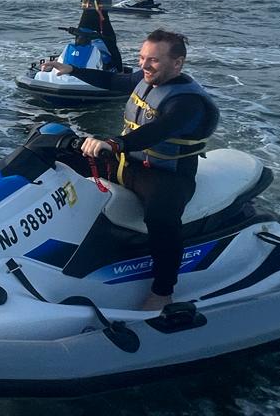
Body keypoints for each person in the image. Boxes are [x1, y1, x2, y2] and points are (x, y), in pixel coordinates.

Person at [40, 29, 219, 311]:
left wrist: (113, 143)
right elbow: (113, 80)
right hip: (128, 162)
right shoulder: (145, 79)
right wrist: (71, 68)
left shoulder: (187, 103)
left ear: (177, 63)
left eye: (154, 61)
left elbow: (157, 131)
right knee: (58, 155)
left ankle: (163, 291)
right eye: (142, 58)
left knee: (161, 217)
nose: (144, 66)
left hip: (167, 175)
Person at [79, 0, 122, 70]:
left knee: (111, 42)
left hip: (102, 17)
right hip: (88, 16)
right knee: (80, 41)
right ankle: (76, 67)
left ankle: (120, 70)